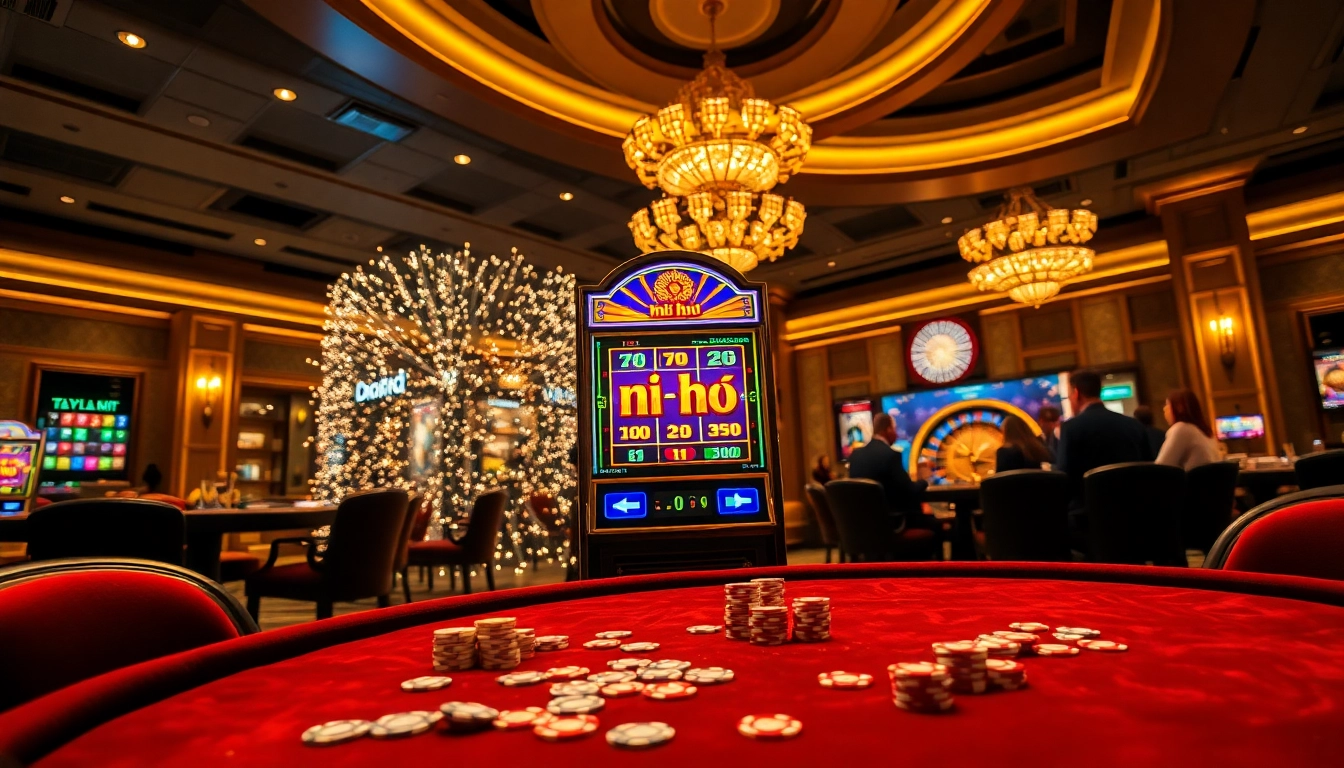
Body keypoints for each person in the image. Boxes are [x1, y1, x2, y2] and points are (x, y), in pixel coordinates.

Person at [1056, 370, 1154, 514]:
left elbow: (1064, 478)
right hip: (1134, 511)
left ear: (1076, 393)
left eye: (1069, 396)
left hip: (1089, 517)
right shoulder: (1134, 425)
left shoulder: (1070, 428)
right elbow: (1149, 469)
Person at [846, 412, 932, 531]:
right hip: (893, 525)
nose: (896, 434)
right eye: (895, 429)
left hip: (863, 528)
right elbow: (909, 490)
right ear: (888, 430)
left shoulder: (855, 456)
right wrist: (924, 481)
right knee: (936, 524)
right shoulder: (891, 455)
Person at [1155, 389, 1221, 470]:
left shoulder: (1181, 429)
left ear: (1180, 407)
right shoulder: (1206, 432)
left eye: (1167, 404)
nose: (1164, 409)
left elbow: (1161, 468)